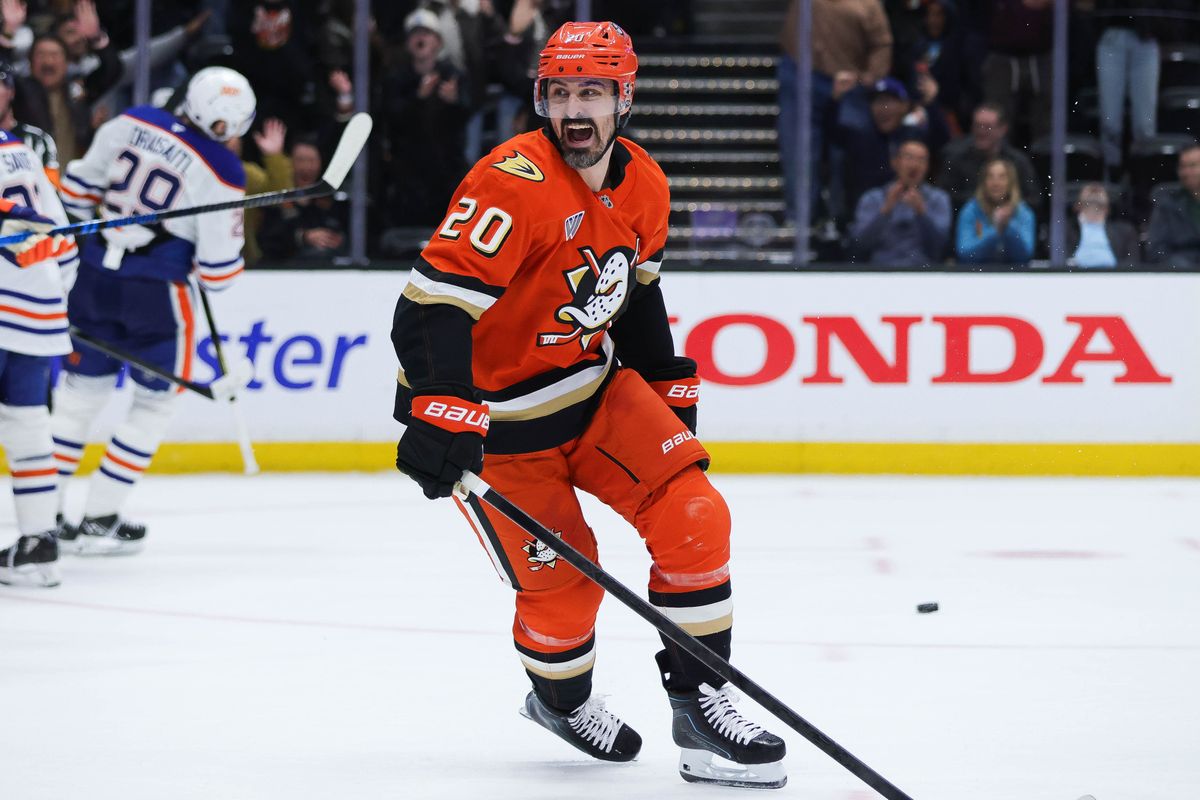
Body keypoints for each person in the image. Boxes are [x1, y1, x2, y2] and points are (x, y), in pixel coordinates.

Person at [390, 21, 786, 788]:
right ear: (542, 98)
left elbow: (634, 292)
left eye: (593, 93)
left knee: (696, 515)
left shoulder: (646, 183)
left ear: (623, 99)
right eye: (562, 92)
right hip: (503, 428)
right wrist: (441, 408)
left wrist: (663, 382)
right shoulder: (511, 183)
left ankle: (702, 706)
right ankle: (560, 703)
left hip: (594, 394)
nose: (576, 110)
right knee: (566, 593)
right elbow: (430, 308)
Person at [48, 66, 252, 555]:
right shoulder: (224, 170)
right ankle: (100, 519)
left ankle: (44, 518)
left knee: (78, 398)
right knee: (154, 404)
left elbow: (75, 195)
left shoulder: (132, 119)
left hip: (93, 279)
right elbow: (219, 274)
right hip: (157, 295)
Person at [0, 139, 78, 588]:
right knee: (27, 427)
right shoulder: (21, 150)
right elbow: (64, 241)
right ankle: (39, 543)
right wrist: (52, 299)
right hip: (39, 308)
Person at [849, 138, 951, 266]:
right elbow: (859, 244)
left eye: (921, 160)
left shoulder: (938, 199)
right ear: (895, 162)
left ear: (928, 166)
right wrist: (885, 211)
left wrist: (922, 213)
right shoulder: (873, 198)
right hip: (880, 271)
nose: (915, 165)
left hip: (923, 270)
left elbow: (940, 246)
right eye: (909, 157)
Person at [936, 102, 1042, 214]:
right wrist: (983, 202)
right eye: (977, 125)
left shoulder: (1018, 162)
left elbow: (1035, 200)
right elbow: (943, 197)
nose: (981, 131)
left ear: (1003, 129)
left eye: (988, 127)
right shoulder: (956, 158)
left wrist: (1011, 207)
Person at [258, 134, 347, 261]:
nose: (306, 167)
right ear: (290, 163)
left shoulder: (329, 199)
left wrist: (336, 238)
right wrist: (303, 237)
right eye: (300, 160)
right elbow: (268, 240)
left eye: (311, 160)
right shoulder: (277, 196)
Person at [955, 157, 1035, 265]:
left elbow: (1026, 255)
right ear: (983, 182)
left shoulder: (1023, 212)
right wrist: (996, 231)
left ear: (1010, 182)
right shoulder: (971, 210)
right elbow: (964, 253)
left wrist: (1008, 228)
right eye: (990, 177)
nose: (996, 183)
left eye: (1002, 177)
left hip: (1013, 274)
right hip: (977, 273)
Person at [1145, 143, 1200, 267]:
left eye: (1193, 166)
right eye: (1182, 166)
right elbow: (1156, 249)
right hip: (1180, 270)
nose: (1186, 172)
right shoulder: (1166, 201)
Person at [1066, 182, 1139, 267]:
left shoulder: (1125, 232)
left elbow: (1132, 265)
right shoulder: (1064, 231)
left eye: (1099, 190)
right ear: (1077, 206)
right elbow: (1060, 261)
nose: (1094, 191)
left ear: (1108, 208)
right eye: (1089, 191)